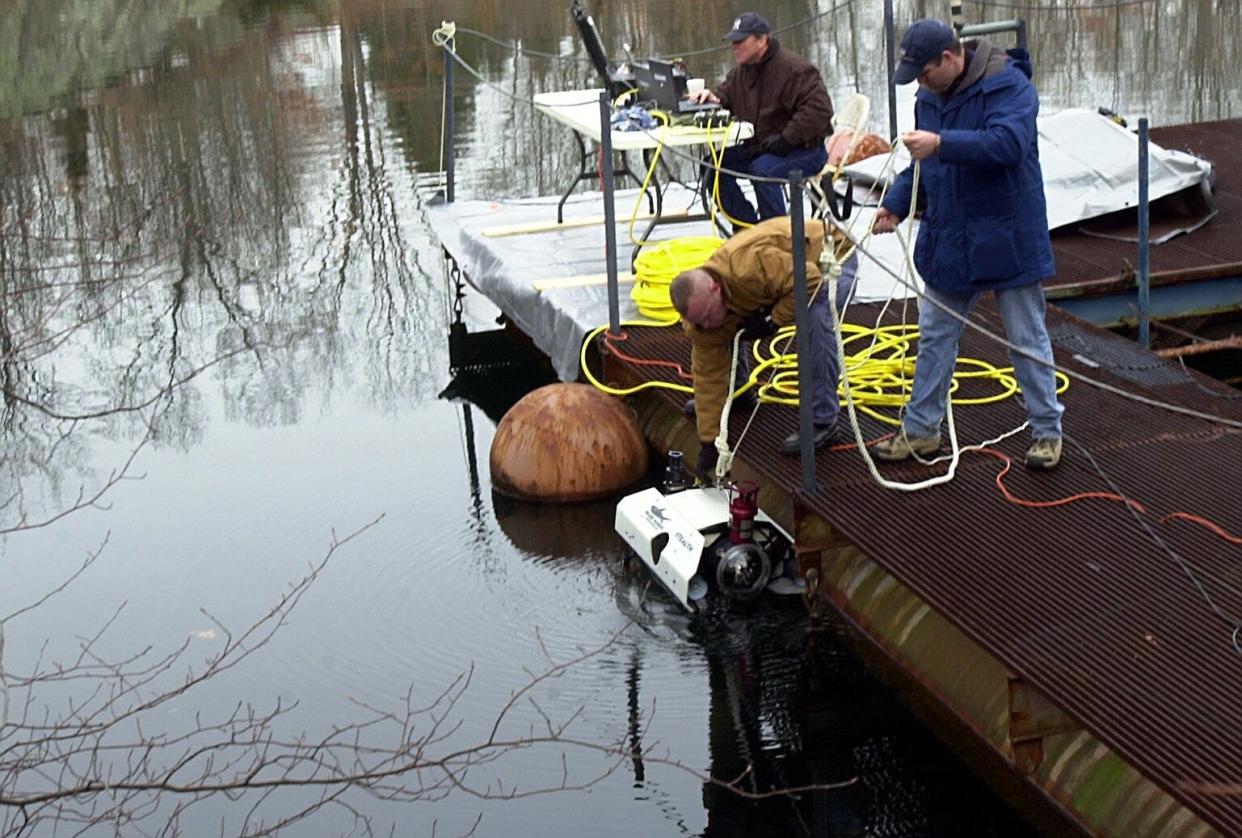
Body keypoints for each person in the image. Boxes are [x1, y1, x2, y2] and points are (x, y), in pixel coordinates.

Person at [870, 18, 1065, 470]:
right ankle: (922, 431)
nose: (920, 83)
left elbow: (1007, 144)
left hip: (1007, 235)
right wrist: (897, 204)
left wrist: (940, 142)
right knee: (935, 336)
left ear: (949, 58)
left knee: (1026, 339)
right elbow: (922, 166)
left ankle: (1047, 432)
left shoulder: (1009, 85)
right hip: (951, 238)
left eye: (924, 73)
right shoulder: (929, 97)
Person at [669, 216, 859, 478]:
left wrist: (772, 320)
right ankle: (739, 391)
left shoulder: (748, 268)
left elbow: (810, 280)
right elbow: (707, 375)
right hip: (781, 280)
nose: (708, 324)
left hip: (829, 255)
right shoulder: (702, 320)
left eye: (709, 315)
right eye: (701, 322)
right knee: (728, 324)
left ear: (714, 289)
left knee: (815, 315)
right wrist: (708, 441)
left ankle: (823, 420)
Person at [686, 11, 834, 229]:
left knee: (762, 170)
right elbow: (726, 95)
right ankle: (746, 229)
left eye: (740, 41)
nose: (734, 46)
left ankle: (777, 235)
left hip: (805, 151)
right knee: (711, 166)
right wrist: (713, 98)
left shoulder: (795, 69)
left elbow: (820, 110)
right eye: (732, 41)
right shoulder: (742, 71)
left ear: (762, 39)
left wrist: (786, 138)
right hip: (762, 148)